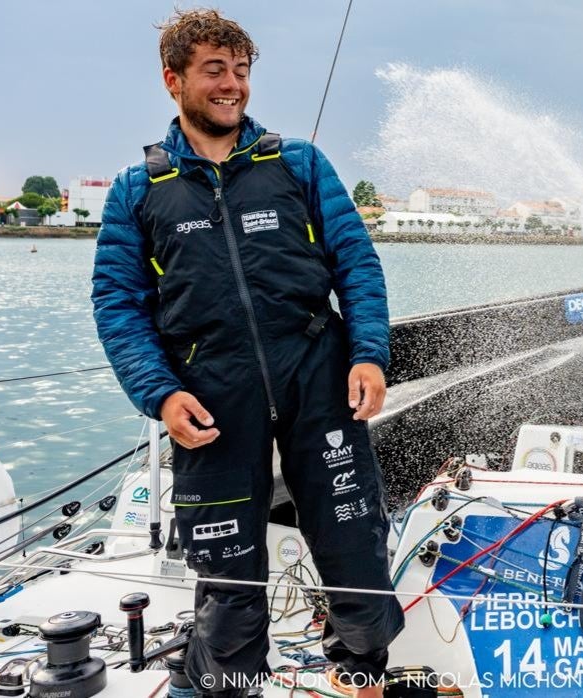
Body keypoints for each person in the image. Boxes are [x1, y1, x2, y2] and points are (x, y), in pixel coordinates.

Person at [91, 9, 402, 697]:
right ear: (173, 80)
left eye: (240, 71)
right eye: (214, 71)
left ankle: (360, 676)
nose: (232, 86)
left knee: (357, 554)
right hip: (209, 397)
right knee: (228, 575)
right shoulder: (138, 191)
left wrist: (370, 354)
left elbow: (357, 264)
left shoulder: (298, 164)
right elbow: (117, 305)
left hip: (318, 378)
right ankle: (225, 684)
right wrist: (161, 393)